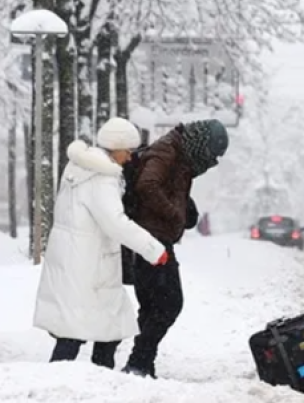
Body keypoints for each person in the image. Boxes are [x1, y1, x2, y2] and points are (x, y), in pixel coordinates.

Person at [33, 119, 169, 368]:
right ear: (116, 147)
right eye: (128, 151)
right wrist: (153, 249)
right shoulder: (102, 177)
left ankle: (96, 378)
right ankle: (72, 381)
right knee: (77, 332)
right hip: (88, 265)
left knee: (101, 327)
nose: (129, 158)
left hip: (75, 260)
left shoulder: (80, 168)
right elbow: (115, 223)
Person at [123, 119, 229, 378]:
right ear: (201, 144)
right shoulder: (166, 151)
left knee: (152, 306)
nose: (210, 163)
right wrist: (175, 215)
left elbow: (166, 184)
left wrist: (185, 207)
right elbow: (147, 185)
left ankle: (143, 364)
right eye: (211, 156)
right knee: (170, 303)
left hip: (154, 237)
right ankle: (138, 362)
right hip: (151, 239)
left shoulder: (179, 152)